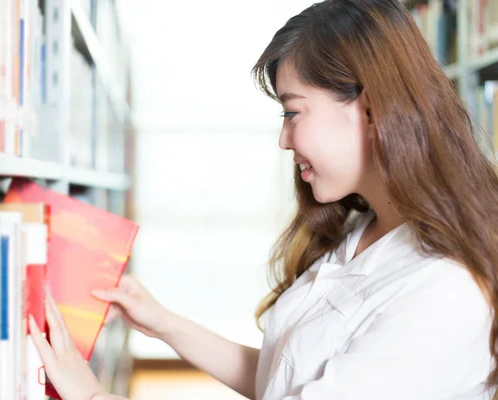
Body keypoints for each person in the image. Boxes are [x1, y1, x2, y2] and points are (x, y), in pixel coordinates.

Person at [29, 0, 498, 398]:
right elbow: (283, 377)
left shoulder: (446, 292)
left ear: (371, 109)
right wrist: (164, 323)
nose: (283, 139)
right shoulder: (367, 229)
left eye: (294, 112)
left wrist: (93, 394)